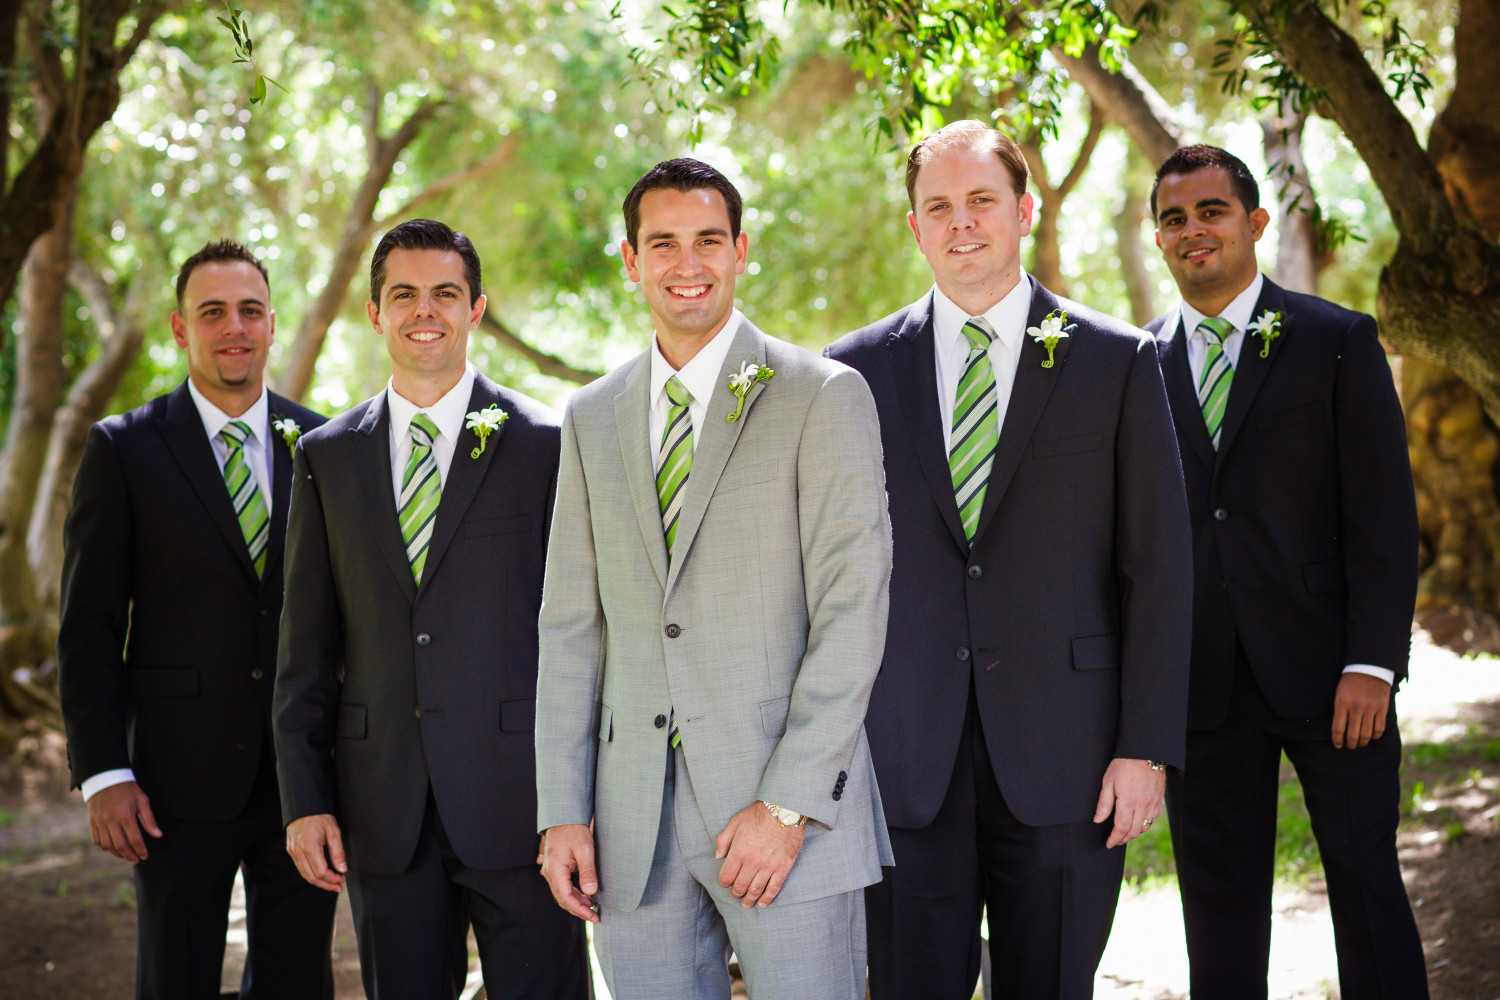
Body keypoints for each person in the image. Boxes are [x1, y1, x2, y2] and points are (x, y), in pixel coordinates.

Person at [825, 120, 1193, 1000]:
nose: (962, 222)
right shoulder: (852, 374)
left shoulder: (1115, 360)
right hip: (906, 755)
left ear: (1023, 210)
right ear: (913, 226)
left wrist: (1144, 747)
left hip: (1070, 751)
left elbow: (1160, 566)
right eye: (938, 206)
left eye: (982, 200)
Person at [534, 157, 894, 1000]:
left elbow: (853, 609)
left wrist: (790, 805)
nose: (685, 264)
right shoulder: (590, 417)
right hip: (630, 832)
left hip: (780, 821)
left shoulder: (823, 395)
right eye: (662, 243)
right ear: (631, 260)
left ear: (740, 251)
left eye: (707, 241)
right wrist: (562, 809)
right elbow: (569, 628)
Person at [272, 219, 589, 1000]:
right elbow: (304, 647)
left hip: (522, 808)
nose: (426, 311)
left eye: (446, 293)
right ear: (375, 312)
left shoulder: (548, 442)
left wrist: (576, 803)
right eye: (404, 294)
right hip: (383, 810)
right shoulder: (325, 457)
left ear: (476, 308)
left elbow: (586, 634)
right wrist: (305, 801)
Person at [1146, 144, 1429, 998]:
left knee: (1366, 885)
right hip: (1204, 691)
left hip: (1333, 677)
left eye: (1211, 211)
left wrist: (1371, 663)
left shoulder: (1337, 340)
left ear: (1255, 223)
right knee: (1218, 912)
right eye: (1173, 218)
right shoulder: (1138, 363)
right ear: (1158, 240)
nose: (1193, 230)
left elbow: (1384, 516)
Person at [57, 240, 335, 998]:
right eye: (212, 312)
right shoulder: (124, 448)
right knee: (175, 979)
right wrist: (104, 772)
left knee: (297, 983)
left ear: (273, 324)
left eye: (249, 310)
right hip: (170, 785)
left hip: (301, 779)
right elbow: (87, 626)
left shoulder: (326, 447)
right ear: (182, 330)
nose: (233, 327)